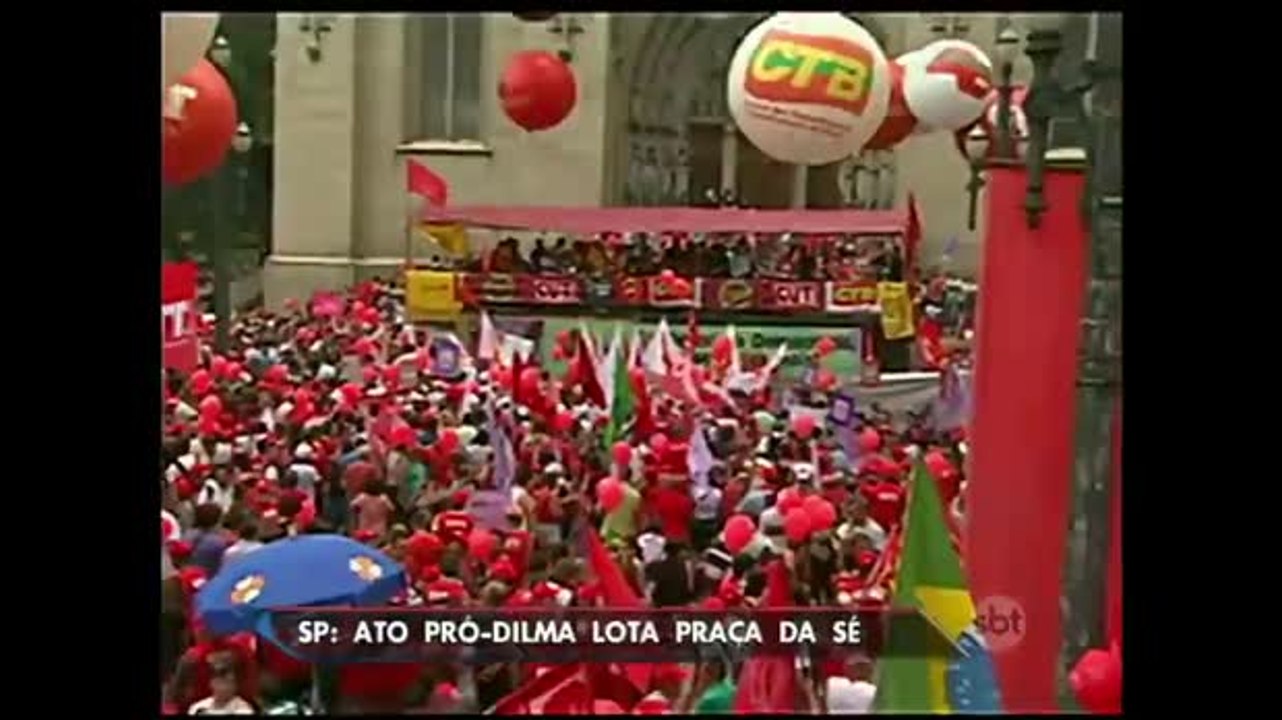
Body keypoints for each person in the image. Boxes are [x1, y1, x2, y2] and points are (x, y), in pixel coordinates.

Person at [188, 654, 256, 715]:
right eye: (215, 673)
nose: (219, 677)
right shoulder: (197, 708)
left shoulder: (244, 710)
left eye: (224, 672)